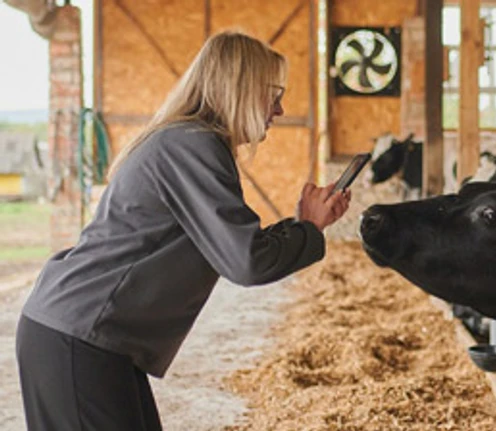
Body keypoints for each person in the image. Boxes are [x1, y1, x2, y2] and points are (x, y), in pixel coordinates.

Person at [15, 30, 351, 431]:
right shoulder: (193, 145)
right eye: (272, 92)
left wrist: (303, 227)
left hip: (88, 338)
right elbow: (245, 262)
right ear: (239, 89)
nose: (279, 109)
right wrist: (309, 229)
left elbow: (232, 241)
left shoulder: (190, 143)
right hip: (80, 337)